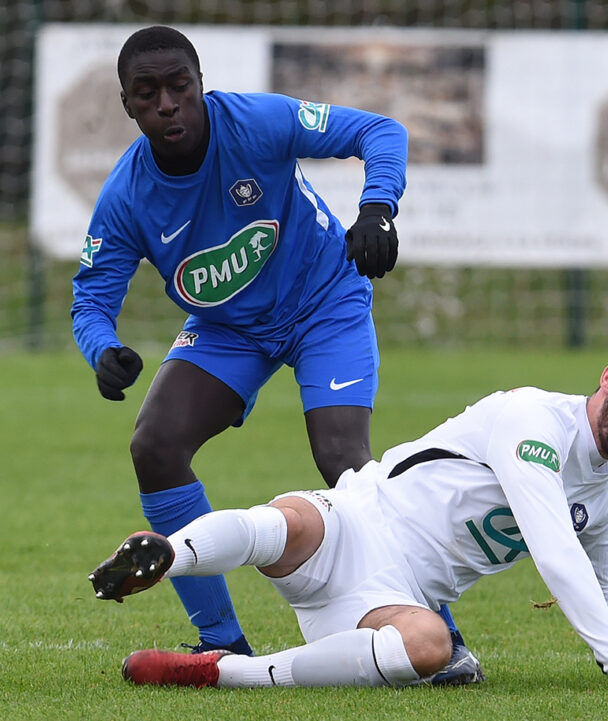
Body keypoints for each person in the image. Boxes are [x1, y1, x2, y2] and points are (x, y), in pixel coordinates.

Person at [71, 25, 477, 682]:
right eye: (148, 94)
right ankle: (222, 643)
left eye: (179, 87)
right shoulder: (127, 197)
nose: (167, 104)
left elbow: (381, 131)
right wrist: (103, 347)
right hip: (229, 328)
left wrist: (378, 209)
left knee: (344, 459)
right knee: (154, 444)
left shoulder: (255, 122)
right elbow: (90, 297)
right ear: (128, 106)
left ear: (200, 86)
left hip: (323, 301)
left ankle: (444, 638)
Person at [88, 336, 608, 691]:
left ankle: (225, 673)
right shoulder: (533, 420)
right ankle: (169, 557)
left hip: (392, 598)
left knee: (430, 646)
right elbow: (554, 549)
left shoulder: (601, 495)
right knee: (288, 523)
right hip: (356, 520)